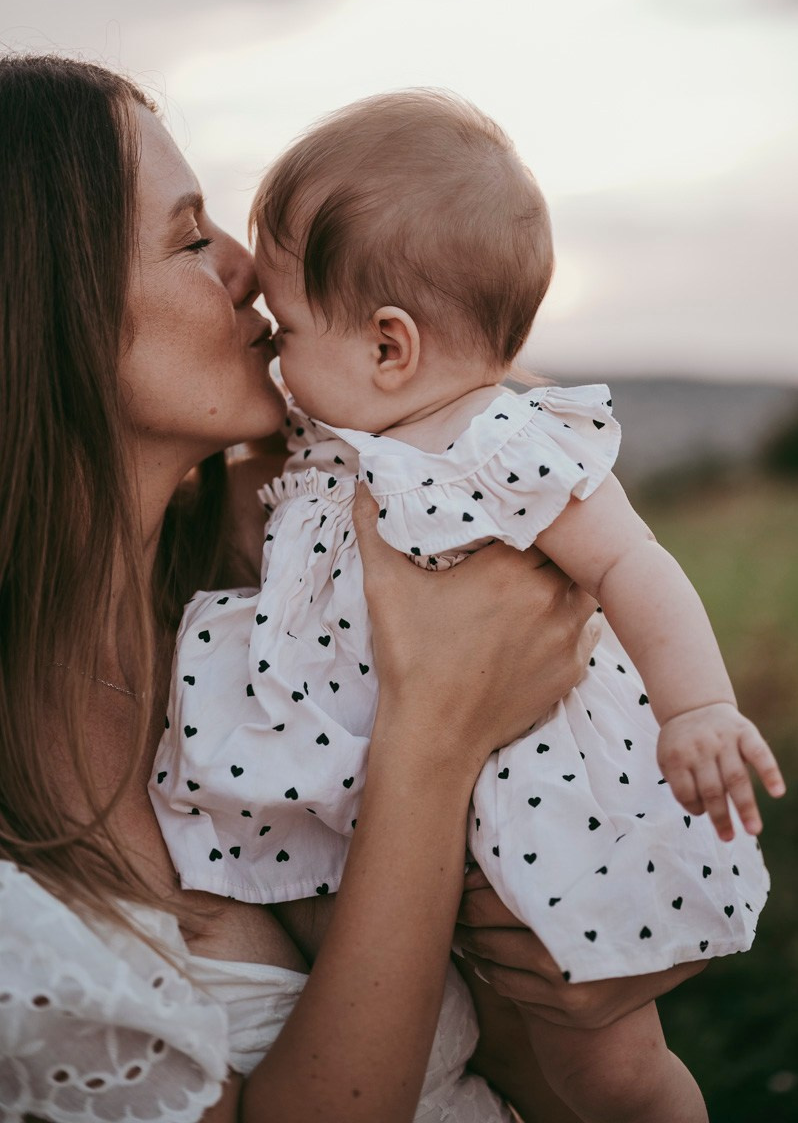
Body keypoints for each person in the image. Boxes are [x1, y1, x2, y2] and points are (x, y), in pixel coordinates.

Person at [0, 55, 708, 1123]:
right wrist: (435, 736)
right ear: (47, 312)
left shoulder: (268, 584)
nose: (245, 269)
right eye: (191, 238)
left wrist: (585, 955)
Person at [152, 90, 785, 1123]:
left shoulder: (503, 441)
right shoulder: (325, 457)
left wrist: (700, 708)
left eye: (291, 323)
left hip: (544, 806)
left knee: (608, 1067)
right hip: (406, 815)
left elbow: (632, 562)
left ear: (388, 347)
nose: (267, 336)